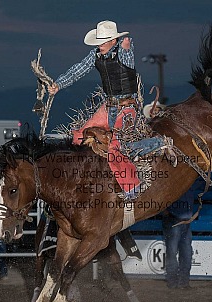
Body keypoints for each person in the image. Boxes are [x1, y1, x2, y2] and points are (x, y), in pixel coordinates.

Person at [48, 20, 175, 200]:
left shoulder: (123, 51)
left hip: (127, 108)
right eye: (99, 41)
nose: (100, 44)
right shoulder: (95, 55)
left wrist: (126, 47)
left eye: (104, 40)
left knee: (117, 148)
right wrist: (58, 84)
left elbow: (128, 60)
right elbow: (77, 70)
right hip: (109, 107)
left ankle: (135, 182)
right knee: (79, 137)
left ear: (113, 41)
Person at [162, 178, 206, 289]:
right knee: (179, 252)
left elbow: (206, 183)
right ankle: (177, 282)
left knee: (182, 252)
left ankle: (179, 282)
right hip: (177, 220)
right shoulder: (179, 182)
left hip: (181, 220)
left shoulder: (185, 181)